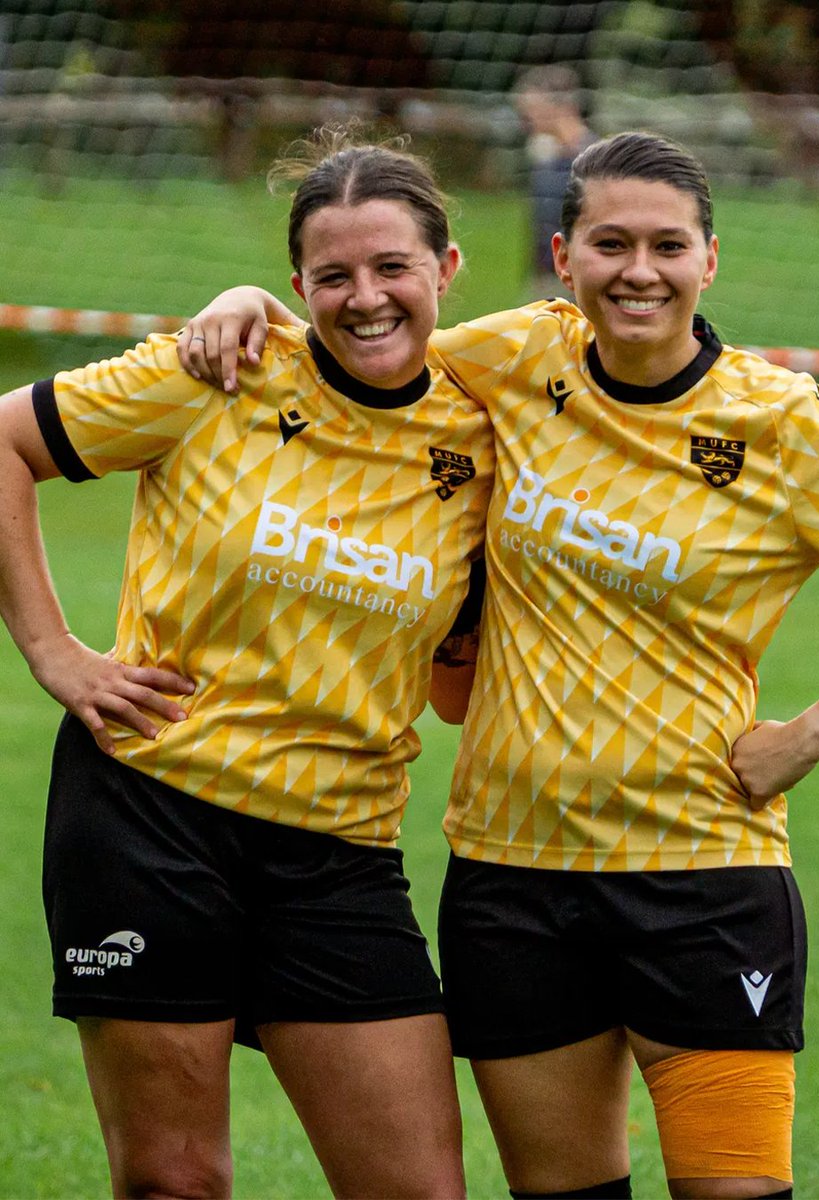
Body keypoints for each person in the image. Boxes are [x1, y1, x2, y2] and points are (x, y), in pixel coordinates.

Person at [178, 130, 819, 1200]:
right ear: (565, 255)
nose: (639, 270)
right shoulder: (513, 359)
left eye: (668, 245)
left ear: (709, 260)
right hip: (513, 881)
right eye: (611, 244)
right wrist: (243, 300)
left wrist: (810, 734)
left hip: (703, 872)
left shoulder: (783, 426)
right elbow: (368, 333)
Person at [0, 129, 495, 1199]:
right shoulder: (215, 370)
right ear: (295, 286)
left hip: (339, 844)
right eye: (333, 276)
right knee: (175, 1183)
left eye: (392, 267)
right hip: (148, 814)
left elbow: (457, 689)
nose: (366, 297)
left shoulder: (488, 428)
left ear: (447, 270)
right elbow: (3, 443)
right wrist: (53, 652)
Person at [512, 65, 595, 300]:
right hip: (547, 278)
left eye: (532, 110)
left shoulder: (595, 161)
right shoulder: (544, 157)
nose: (526, 119)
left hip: (579, 279)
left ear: (561, 107)